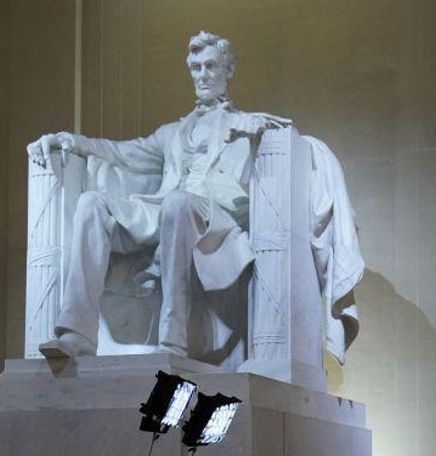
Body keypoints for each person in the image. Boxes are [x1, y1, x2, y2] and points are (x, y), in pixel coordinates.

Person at [28, 31, 288, 359]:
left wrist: (257, 135)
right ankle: (77, 333)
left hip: (215, 222)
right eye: (196, 68)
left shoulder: (248, 124)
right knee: (91, 203)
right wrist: (71, 141)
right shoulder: (172, 133)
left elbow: (272, 168)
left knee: (178, 204)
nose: (203, 75)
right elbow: (121, 152)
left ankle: (174, 338)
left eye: (210, 66)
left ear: (228, 70)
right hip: (167, 210)